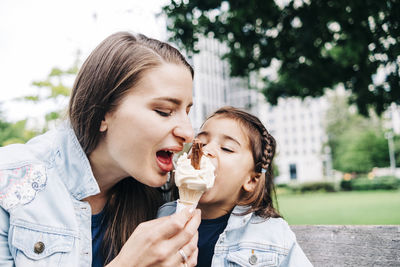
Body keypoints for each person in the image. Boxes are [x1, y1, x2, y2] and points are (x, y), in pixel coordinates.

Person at [0, 32, 201, 267]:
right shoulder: (9, 185)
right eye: (164, 111)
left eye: (187, 112)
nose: (188, 133)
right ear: (103, 113)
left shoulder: (167, 197)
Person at [158, 106, 313, 266]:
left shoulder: (272, 233)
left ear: (251, 180)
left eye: (226, 148)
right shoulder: (165, 216)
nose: (206, 150)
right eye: (201, 143)